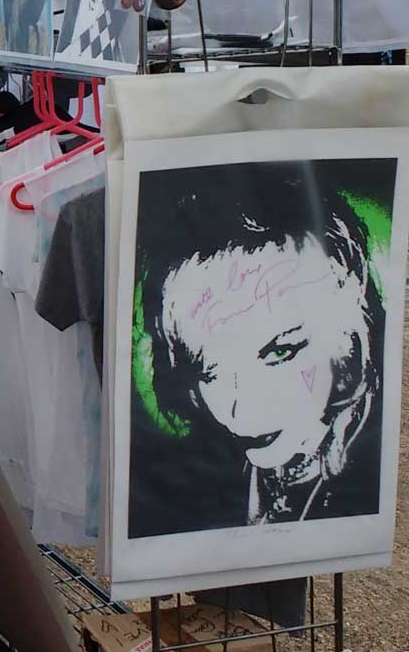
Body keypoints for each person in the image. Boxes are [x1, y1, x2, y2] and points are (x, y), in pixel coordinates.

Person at [132, 162, 388, 534]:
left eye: (280, 352)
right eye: (208, 370)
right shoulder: (198, 479)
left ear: (350, 323)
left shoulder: (369, 471)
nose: (239, 411)